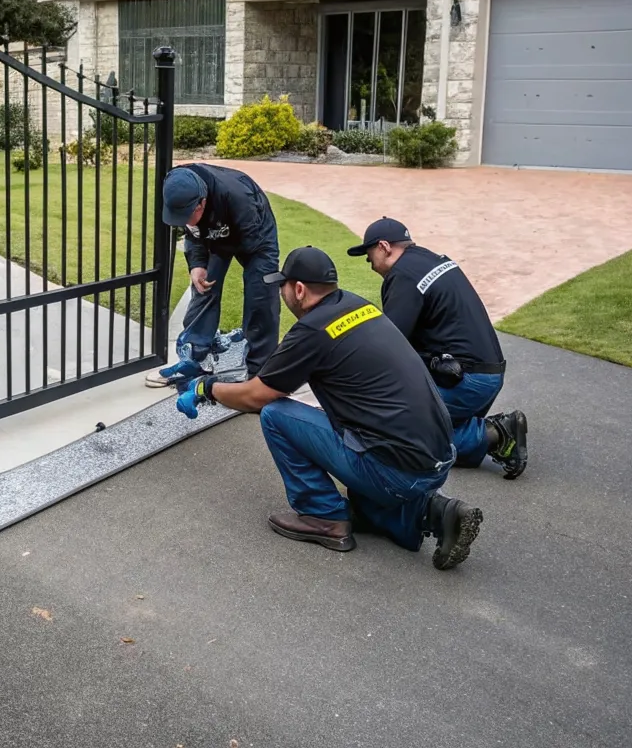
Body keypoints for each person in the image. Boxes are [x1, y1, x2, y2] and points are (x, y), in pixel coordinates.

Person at [175, 246, 483, 571]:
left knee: (276, 415)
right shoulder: (359, 306)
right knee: (362, 492)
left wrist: (204, 388)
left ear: (298, 289)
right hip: (436, 459)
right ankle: (438, 513)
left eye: (282, 286)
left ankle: (324, 517)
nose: (281, 293)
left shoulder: (312, 331)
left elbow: (256, 396)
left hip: (398, 473)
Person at [347, 218, 527, 480]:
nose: (369, 263)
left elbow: (390, 345)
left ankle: (495, 433)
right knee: (436, 446)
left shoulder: (403, 276)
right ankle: (471, 436)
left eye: (369, 254)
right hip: (484, 374)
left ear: (384, 247)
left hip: (466, 382)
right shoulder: (431, 259)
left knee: (386, 428)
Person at [146, 163, 280, 388]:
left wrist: (214, 248)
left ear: (202, 202)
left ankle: (260, 372)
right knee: (203, 285)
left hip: (255, 233)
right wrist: (197, 264)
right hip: (214, 231)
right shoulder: (179, 185)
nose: (185, 221)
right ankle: (194, 359)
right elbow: (194, 232)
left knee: (261, 292)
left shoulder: (239, 197)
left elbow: (248, 244)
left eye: (189, 215)